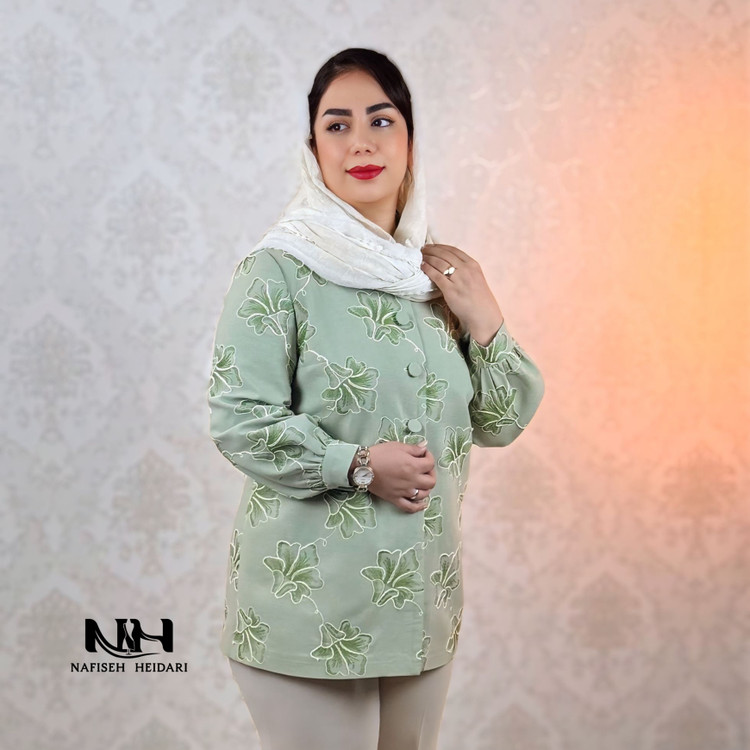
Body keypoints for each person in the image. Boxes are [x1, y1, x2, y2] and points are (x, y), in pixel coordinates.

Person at [206, 47, 545, 750]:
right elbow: (240, 420)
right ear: (313, 151)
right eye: (337, 125)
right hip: (311, 612)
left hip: (420, 607)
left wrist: (486, 321)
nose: (360, 142)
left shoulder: (435, 280)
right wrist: (359, 465)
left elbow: (501, 421)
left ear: (411, 140)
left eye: (380, 120)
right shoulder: (279, 271)